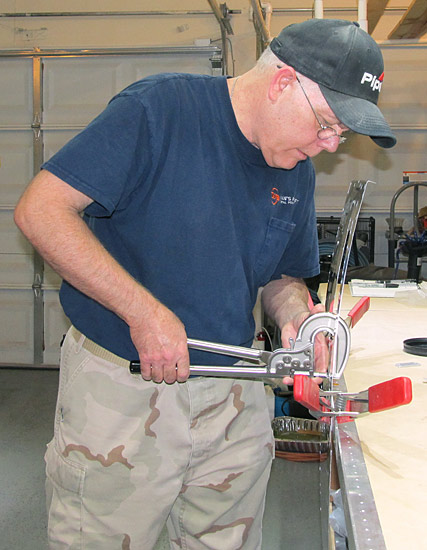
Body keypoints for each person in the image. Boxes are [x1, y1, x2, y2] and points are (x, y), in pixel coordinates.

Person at [14, 18, 396, 550]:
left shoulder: (296, 169)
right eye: (327, 124)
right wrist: (143, 313)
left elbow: (279, 276)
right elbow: (41, 211)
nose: (331, 145)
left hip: (233, 396)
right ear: (284, 83)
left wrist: (295, 317)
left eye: (343, 134)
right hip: (123, 392)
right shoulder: (158, 111)